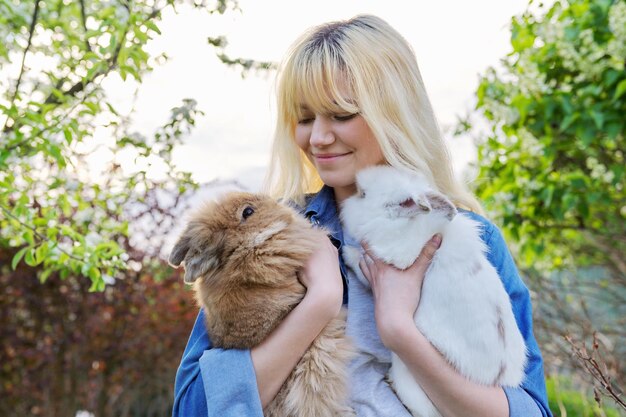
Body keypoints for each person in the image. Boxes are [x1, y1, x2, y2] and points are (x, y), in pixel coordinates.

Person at [172, 14, 553, 417]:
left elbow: (528, 409)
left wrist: (399, 331)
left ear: (393, 112)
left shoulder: (464, 237)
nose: (317, 138)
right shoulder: (270, 235)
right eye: (304, 119)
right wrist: (320, 302)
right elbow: (193, 408)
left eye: (340, 114)